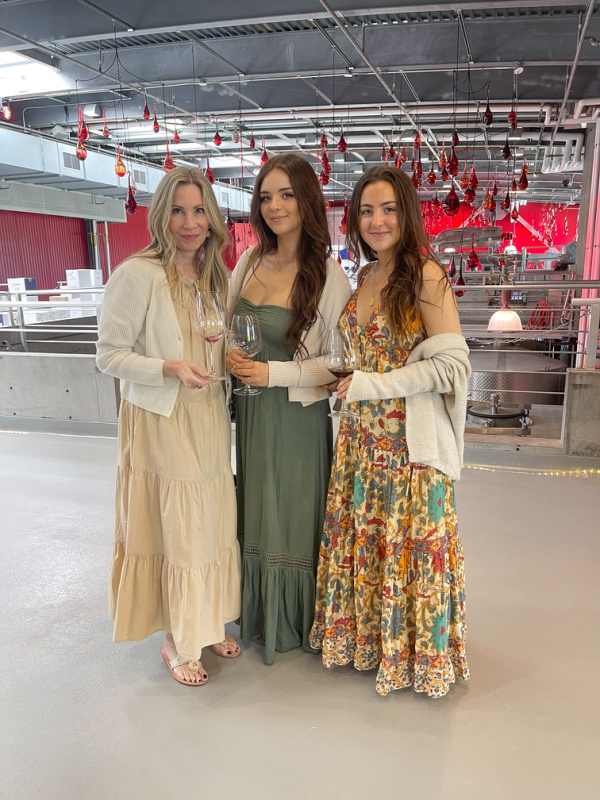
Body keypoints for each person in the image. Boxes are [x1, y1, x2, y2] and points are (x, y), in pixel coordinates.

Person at [309, 165, 471, 698]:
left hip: (409, 447)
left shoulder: (425, 273)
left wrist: (370, 386)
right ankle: (376, 644)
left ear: (407, 214)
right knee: (374, 545)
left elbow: (452, 366)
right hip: (360, 442)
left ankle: (419, 658)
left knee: (409, 547)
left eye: (388, 209)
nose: (377, 221)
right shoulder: (366, 275)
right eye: (366, 210)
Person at [97, 166, 242, 687]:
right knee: (178, 526)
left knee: (211, 519)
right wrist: (169, 368)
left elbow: (213, 340)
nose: (189, 222)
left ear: (212, 217)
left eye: (199, 210)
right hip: (160, 417)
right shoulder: (136, 274)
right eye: (178, 210)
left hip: (204, 414)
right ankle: (176, 637)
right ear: (161, 215)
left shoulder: (212, 275)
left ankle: (206, 620)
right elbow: (109, 356)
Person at [226, 153, 352, 664]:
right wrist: (228, 356)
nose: (275, 206)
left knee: (291, 513)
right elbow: (227, 326)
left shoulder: (328, 274)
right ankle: (254, 611)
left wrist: (273, 373)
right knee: (253, 505)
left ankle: (295, 617)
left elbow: (339, 362)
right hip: (251, 415)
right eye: (265, 196)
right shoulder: (249, 261)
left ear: (307, 201)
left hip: (296, 419)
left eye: (286, 194)